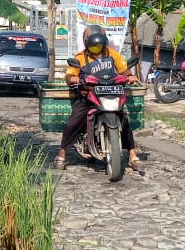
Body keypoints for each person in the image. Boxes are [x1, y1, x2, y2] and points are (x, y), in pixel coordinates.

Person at [55, 25, 144, 173]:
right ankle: (62, 155)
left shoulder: (112, 54)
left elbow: (123, 69)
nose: (96, 48)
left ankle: (132, 155)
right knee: (73, 123)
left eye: (99, 46)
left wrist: (129, 76)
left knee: (124, 119)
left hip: (111, 93)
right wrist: (72, 78)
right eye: (93, 46)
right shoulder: (80, 58)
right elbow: (69, 74)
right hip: (88, 96)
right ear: (86, 43)